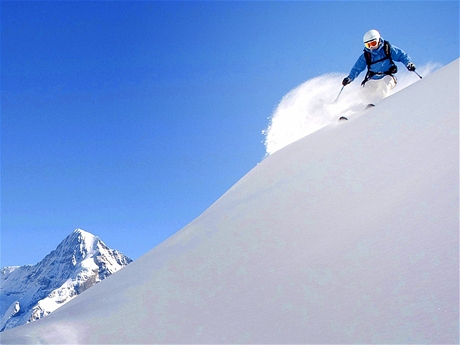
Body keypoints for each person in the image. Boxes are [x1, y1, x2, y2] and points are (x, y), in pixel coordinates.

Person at [342, 29, 416, 103]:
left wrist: (408, 64)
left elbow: (401, 55)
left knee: (385, 84)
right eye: (368, 45)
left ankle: (379, 104)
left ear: (378, 40)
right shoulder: (366, 55)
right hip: (373, 79)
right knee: (366, 89)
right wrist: (349, 78)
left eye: (373, 43)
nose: (371, 47)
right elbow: (357, 68)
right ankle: (365, 108)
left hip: (387, 76)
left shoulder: (387, 49)